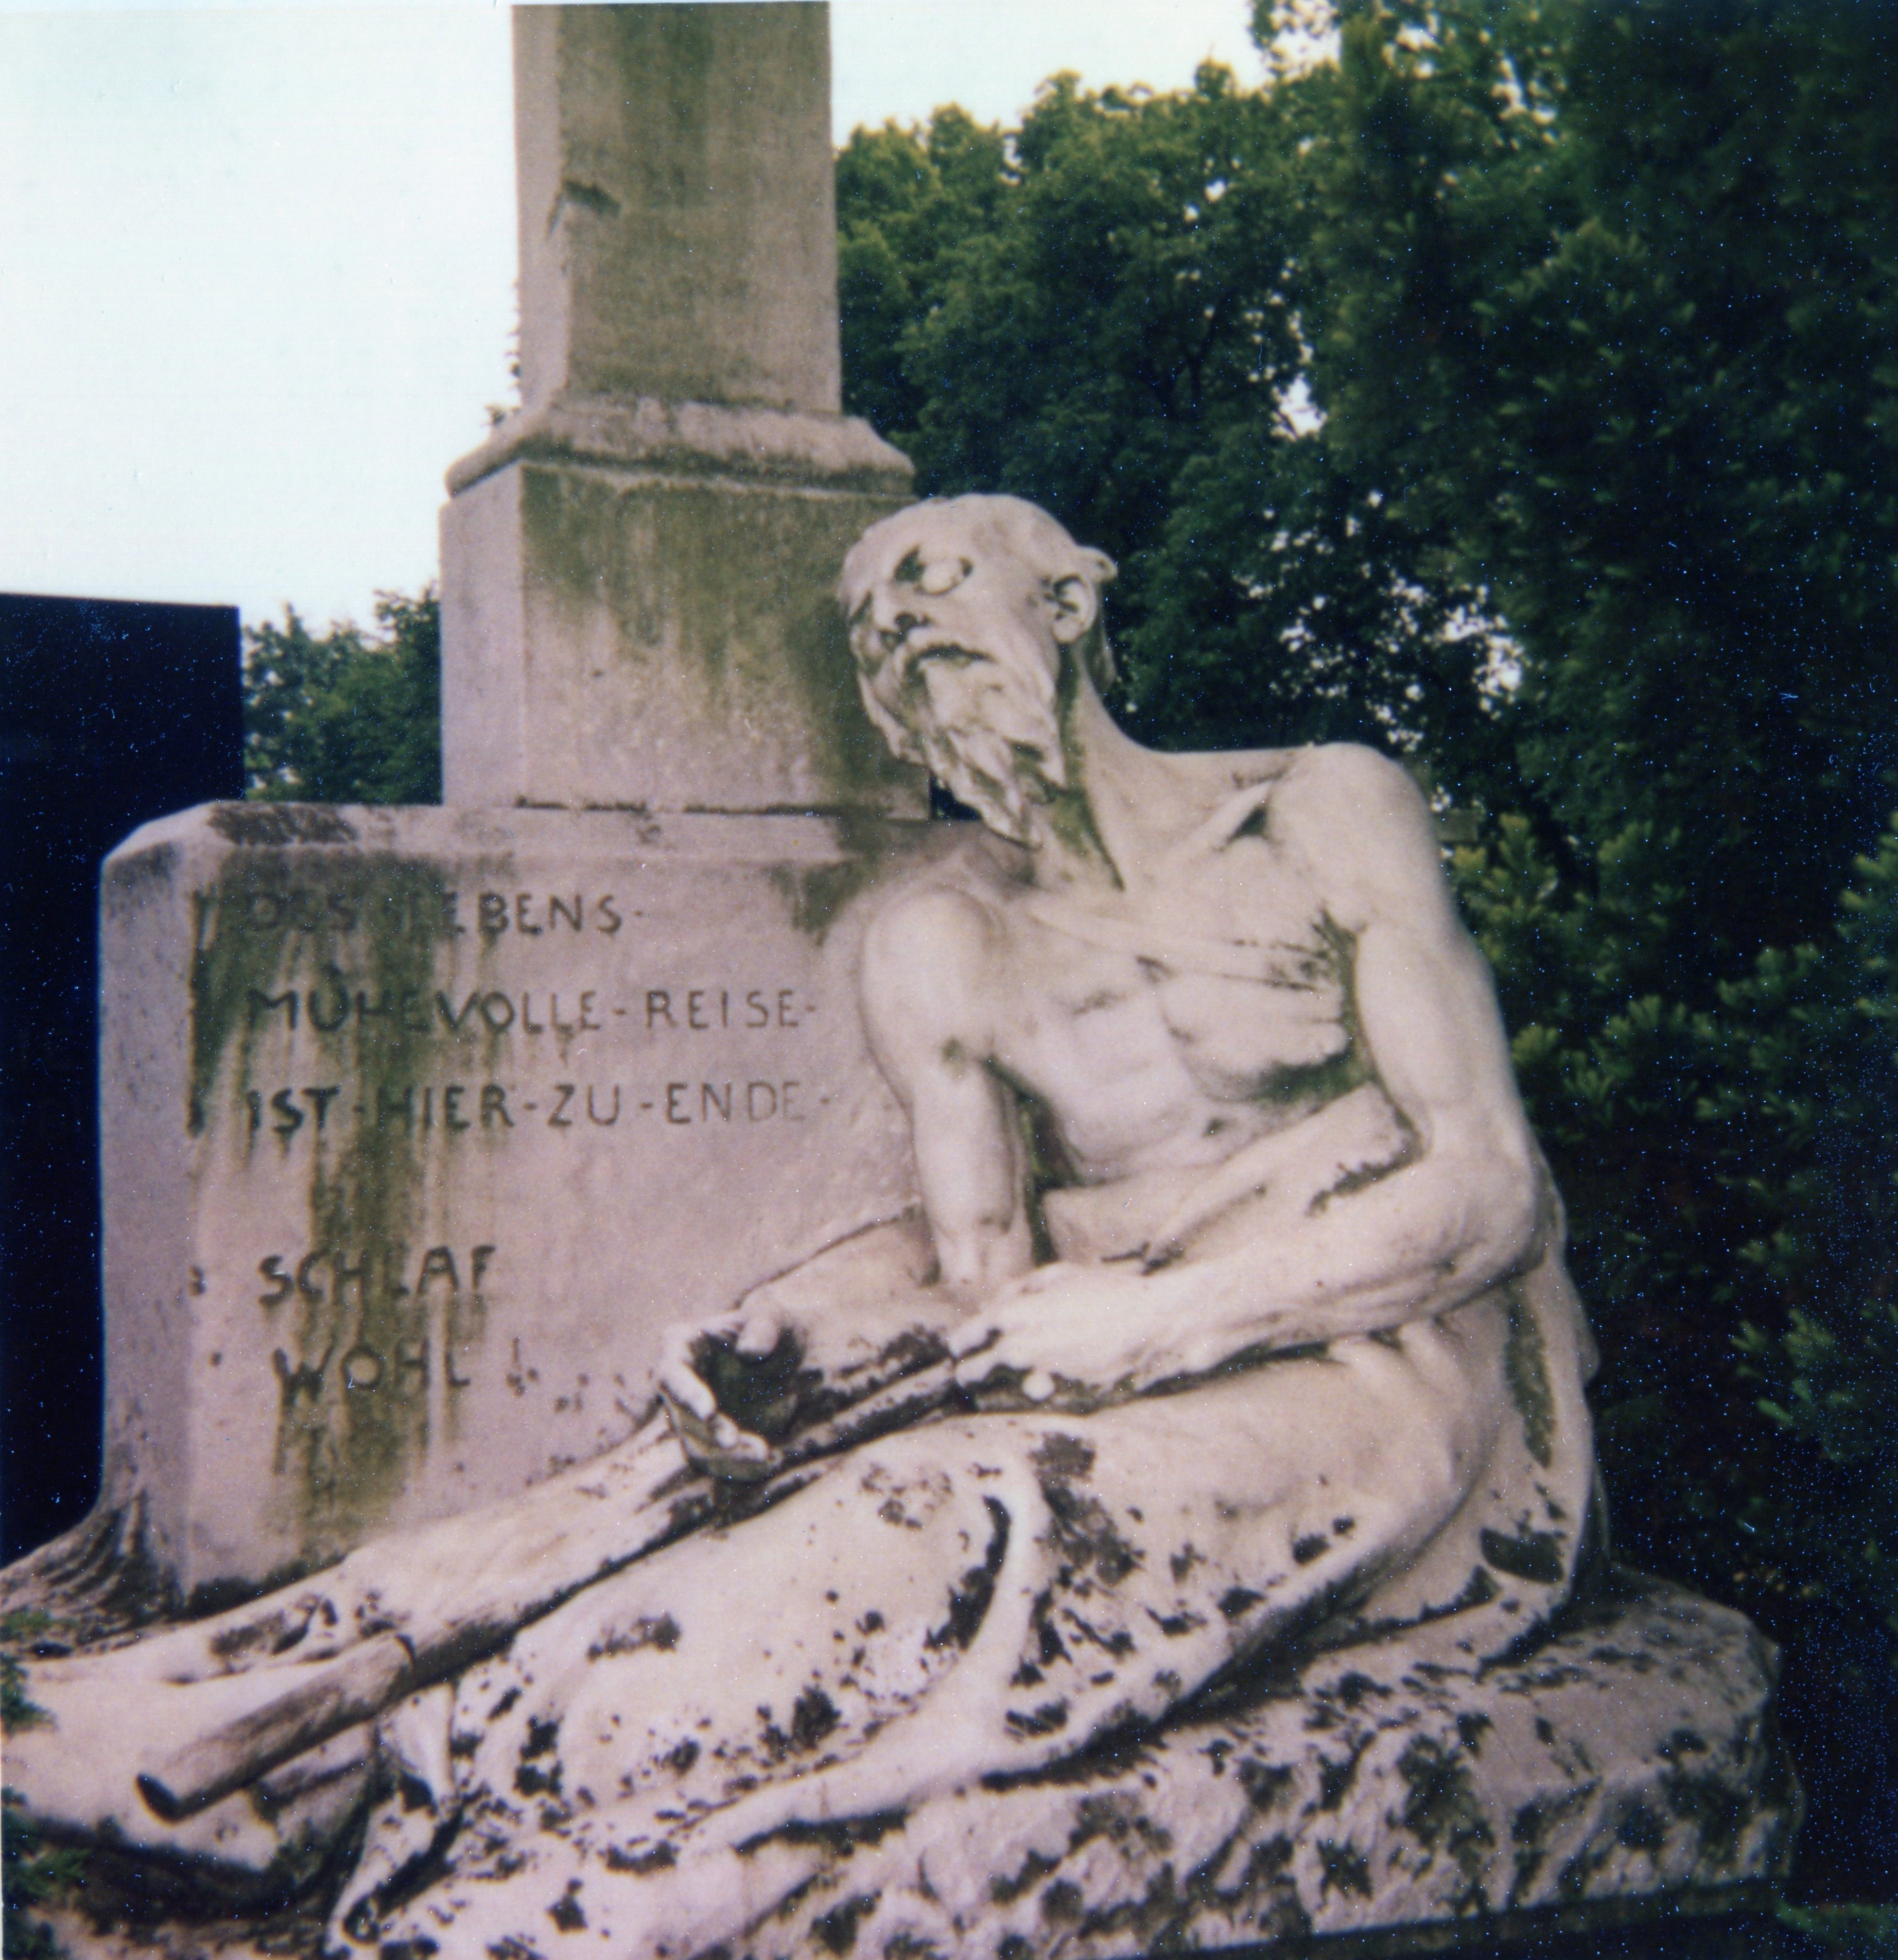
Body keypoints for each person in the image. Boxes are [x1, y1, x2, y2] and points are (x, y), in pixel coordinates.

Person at [328, 494, 1598, 1952]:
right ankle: (525, 1772)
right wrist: (802, 1325)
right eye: (872, 629)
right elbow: (978, 1277)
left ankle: (644, 1863)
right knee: (849, 1505)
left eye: (933, 581)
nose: (899, 625)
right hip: (1112, 1356)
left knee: (989, 1516)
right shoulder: (945, 947)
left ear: (1067, 605)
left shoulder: (1321, 812)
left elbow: (1490, 1183)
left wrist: (1155, 1323)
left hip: (1374, 1349)